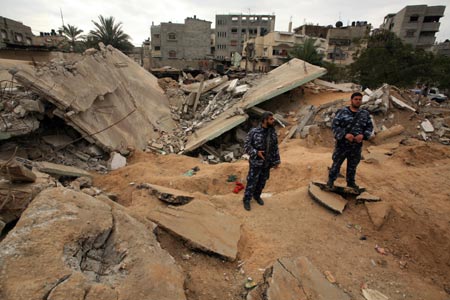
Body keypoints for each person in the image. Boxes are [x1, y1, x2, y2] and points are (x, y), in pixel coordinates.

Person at [327, 92, 373, 190]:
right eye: (356, 99)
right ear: (351, 100)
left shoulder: (364, 114)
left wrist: (363, 135)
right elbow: (335, 126)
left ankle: (351, 183)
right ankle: (330, 181)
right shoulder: (342, 112)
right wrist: (344, 135)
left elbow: (369, 127)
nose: (358, 101)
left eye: (360, 99)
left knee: (352, 166)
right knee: (336, 164)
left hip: (356, 146)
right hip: (342, 145)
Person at [242, 111, 281, 211]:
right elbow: (246, 146)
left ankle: (257, 196)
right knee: (252, 181)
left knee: (262, 181)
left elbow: (275, 148)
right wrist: (256, 152)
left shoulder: (272, 132)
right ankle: (247, 199)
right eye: (271, 119)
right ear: (265, 120)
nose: (273, 121)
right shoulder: (254, 132)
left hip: (267, 163)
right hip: (256, 163)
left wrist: (276, 161)